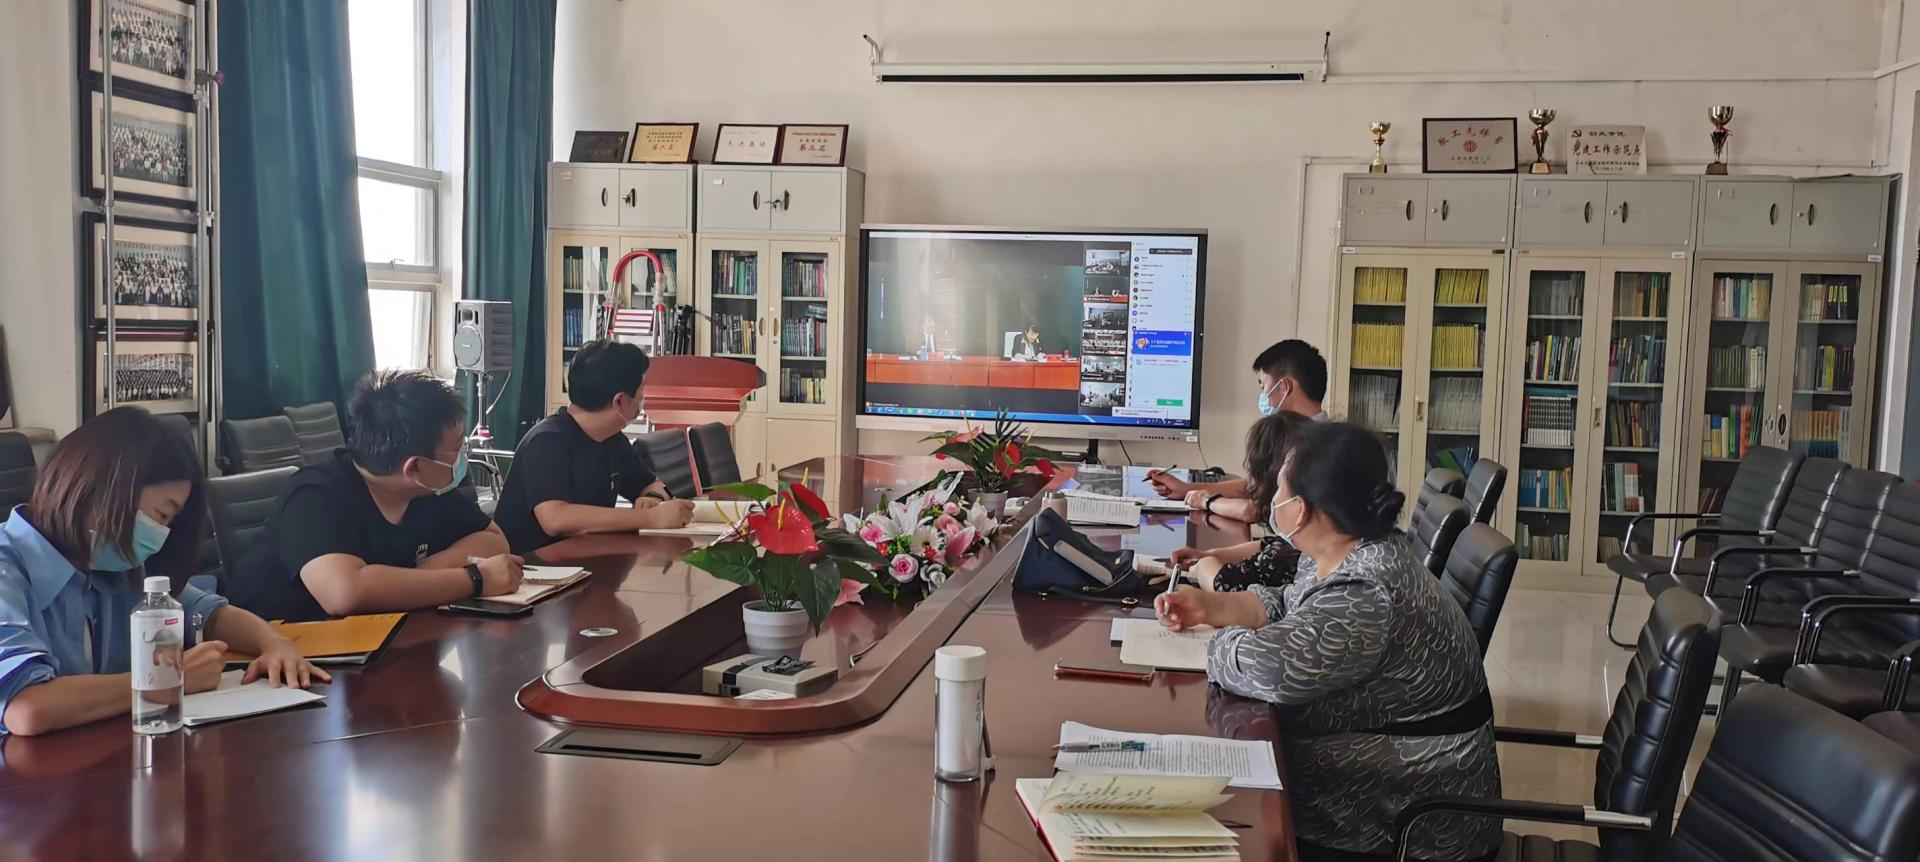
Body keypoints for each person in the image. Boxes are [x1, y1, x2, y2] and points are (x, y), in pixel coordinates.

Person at [1156, 422, 1499, 861]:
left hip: (1404, 824)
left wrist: (1219, 641)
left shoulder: (1366, 592)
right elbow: (1289, 605)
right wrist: (1212, 607)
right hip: (1376, 786)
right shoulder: (1349, 549)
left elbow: (1269, 670)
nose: (1273, 501)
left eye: (1281, 489)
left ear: (1300, 509)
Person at [0, 408, 330, 737]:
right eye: (161, 515)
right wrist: (167, 681)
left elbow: (210, 614)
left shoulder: (112, 565)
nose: (161, 535)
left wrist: (273, 643)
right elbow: (26, 708)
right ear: (108, 488)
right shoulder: (8, 567)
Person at [230, 371, 523, 622]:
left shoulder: (428, 491)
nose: (461, 459)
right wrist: (475, 579)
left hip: (379, 641)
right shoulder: (315, 496)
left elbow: (493, 540)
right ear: (414, 467)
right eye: (457, 450)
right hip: (284, 652)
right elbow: (345, 594)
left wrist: (423, 573)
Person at [494, 340, 695, 554]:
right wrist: (649, 518)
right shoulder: (546, 441)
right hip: (535, 567)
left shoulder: (612, 439)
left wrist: (653, 499)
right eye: (640, 393)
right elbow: (555, 519)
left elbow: (651, 485)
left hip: (587, 558)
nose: (643, 400)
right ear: (620, 401)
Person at [1148, 339, 1328, 519]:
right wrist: (1186, 489)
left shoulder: (1311, 449)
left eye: (1264, 387)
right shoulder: (1314, 436)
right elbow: (1256, 487)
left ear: (1284, 387)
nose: (1264, 397)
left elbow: (1256, 510)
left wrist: (1208, 501)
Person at [1167, 411, 1309, 592]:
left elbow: (1225, 584)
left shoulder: (1289, 559)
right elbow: (1270, 544)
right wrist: (1207, 554)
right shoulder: (1296, 540)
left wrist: (1203, 565)